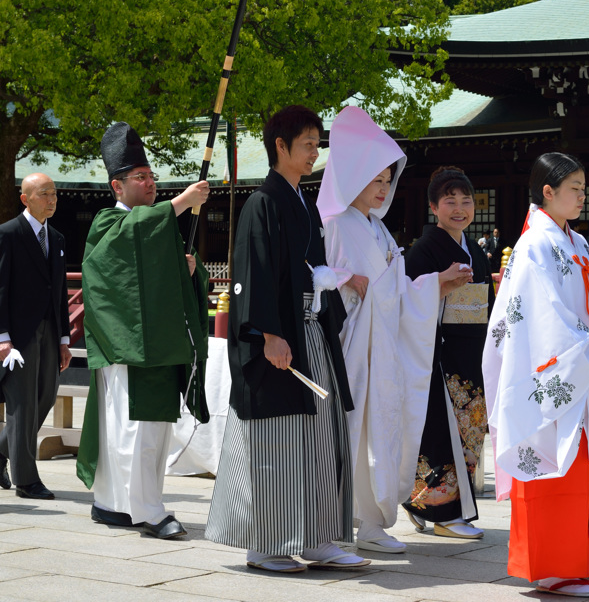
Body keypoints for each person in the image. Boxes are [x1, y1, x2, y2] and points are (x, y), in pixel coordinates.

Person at [205, 105, 369, 574]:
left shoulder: (302, 202)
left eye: (318, 144)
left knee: (320, 433)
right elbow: (253, 272)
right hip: (281, 336)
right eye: (307, 144)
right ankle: (266, 543)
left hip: (310, 329)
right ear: (280, 147)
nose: (315, 152)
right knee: (279, 440)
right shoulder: (264, 203)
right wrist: (268, 334)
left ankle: (318, 538)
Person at [483, 153, 589, 599]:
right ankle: (553, 568)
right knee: (555, 467)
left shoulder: (575, 243)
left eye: (583, 186)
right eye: (573, 188)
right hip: (556, 368)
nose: (582, 195)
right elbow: (541, 314)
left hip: (586, 366)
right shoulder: (535, 244)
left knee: (579, 470)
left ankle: (571, 564)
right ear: (547, 192)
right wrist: (586, 350)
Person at [318, 107, 472, 554]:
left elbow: (396, 287)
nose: (383, 188)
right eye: (375, 179)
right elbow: (325, 277)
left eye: (388, 180)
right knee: (351, 431)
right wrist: (345, 280)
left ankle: (370, 520)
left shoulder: (378, 229)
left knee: (379, 432)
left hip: (382, 345)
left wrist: (432, 284)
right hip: (353, 348)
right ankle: (337, 522)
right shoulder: (336, 223)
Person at [77, 122, 210, 539]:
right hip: (128, 345)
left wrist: (189, 272)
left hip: (160, 342)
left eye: (152, 177)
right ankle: (149, 512)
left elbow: (171, 276)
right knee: (131, 431)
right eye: (140, 178)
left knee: (150, 431)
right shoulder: (107, 224)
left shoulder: (157, 226)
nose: (150, 183)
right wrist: (180, 203)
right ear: (117, 187)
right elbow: (118, 256)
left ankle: (114, 505)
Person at [403, 166, 494, 540]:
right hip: (438, 354)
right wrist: (438, 287)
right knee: (442, 430)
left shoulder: (476, 250)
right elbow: (407, 300)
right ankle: (443, 513)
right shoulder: (424, 250)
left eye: (466, 201)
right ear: (433, 207)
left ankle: (424, 503)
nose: (459, 208)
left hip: (472, 352)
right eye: (450, 201)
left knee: (469, 430)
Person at [0, 174, 71, 500]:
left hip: (50, 332)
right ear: (25, 198)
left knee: (43, 399)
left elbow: (57, 293)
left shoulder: (55, 238)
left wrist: (65, 340)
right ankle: (26, 481)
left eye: (54, 193)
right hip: (18, 336)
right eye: (44, 194)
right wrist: (3, 338)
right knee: (22, 405)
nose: (52, 199)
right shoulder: (8, 234)